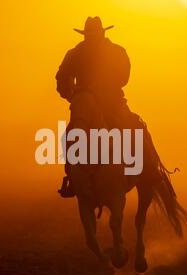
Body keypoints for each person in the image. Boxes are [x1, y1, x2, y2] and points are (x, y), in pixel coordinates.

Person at [56, 17, 166, 197]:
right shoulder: (76, 53)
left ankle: (149, 170)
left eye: (94, 36)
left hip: (112, 102)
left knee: (133, 127)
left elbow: (124, 77)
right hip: (90, 103)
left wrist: (96, 90)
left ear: (101, 34)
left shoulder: (115, 52)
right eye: (89, 36)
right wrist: (75, 97)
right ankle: (73, 176)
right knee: (70, 134)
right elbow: (61, 80)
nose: (91, 39)